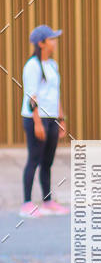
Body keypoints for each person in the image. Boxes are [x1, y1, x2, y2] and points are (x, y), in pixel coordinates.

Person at [20, 25, 68, 217]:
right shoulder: (32, 66)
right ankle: (26, 204)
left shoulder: (52, 65)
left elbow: (56, 94)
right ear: (41, 43)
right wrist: (38, 123)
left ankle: (47, 201)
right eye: (52, 39)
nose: (55, 42)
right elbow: (32, 98)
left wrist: (61, 119)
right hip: (35, 119)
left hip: (52, 118)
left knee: (47, 162)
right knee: (34, 159)